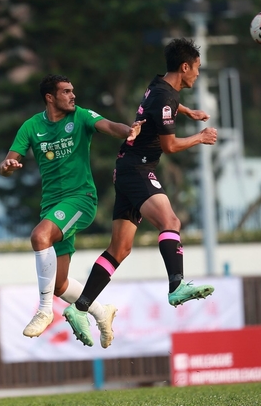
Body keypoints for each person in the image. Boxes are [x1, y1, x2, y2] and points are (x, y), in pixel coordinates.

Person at [63, 38, 218, 347]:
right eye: (197, 68)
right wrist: (199, 138)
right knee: (170, 221)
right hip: (137, 169)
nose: (198, 74)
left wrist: (187, 111)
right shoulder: (164, 96)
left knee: (119, 249)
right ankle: (176, 285)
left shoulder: (160, 85)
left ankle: (79, 308)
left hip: (126, 169)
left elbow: (165, 105)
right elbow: (169, 146)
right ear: (184, 67)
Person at [0, 74, 144, 349]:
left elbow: (109, 125)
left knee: (39, 236)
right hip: (52, 205)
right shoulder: (31, 126)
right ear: (50, 97)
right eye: (65, 91)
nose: (72, 95)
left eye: (72, 90)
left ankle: (44, 311)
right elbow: (8, 162)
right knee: (59, 283)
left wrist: (128, 131)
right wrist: (7, 166)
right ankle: (101, 312)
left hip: (80, 199)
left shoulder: (81, 116)